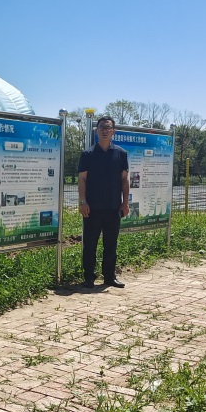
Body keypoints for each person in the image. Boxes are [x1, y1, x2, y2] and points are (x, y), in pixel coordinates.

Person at [77, 116, 129, 289]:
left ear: (114, 131)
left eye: (108, 128)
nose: (105, 131)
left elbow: (124, 180)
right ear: (96, 130)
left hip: (113, 207)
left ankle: (109, 277)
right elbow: (82, 180)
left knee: (111, 244)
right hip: (92, 208)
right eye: (101, 128)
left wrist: (125, 203)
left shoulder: (121, 154)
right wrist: (83, 202)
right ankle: (89, 278)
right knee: (90, 244)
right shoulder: (88, 154)